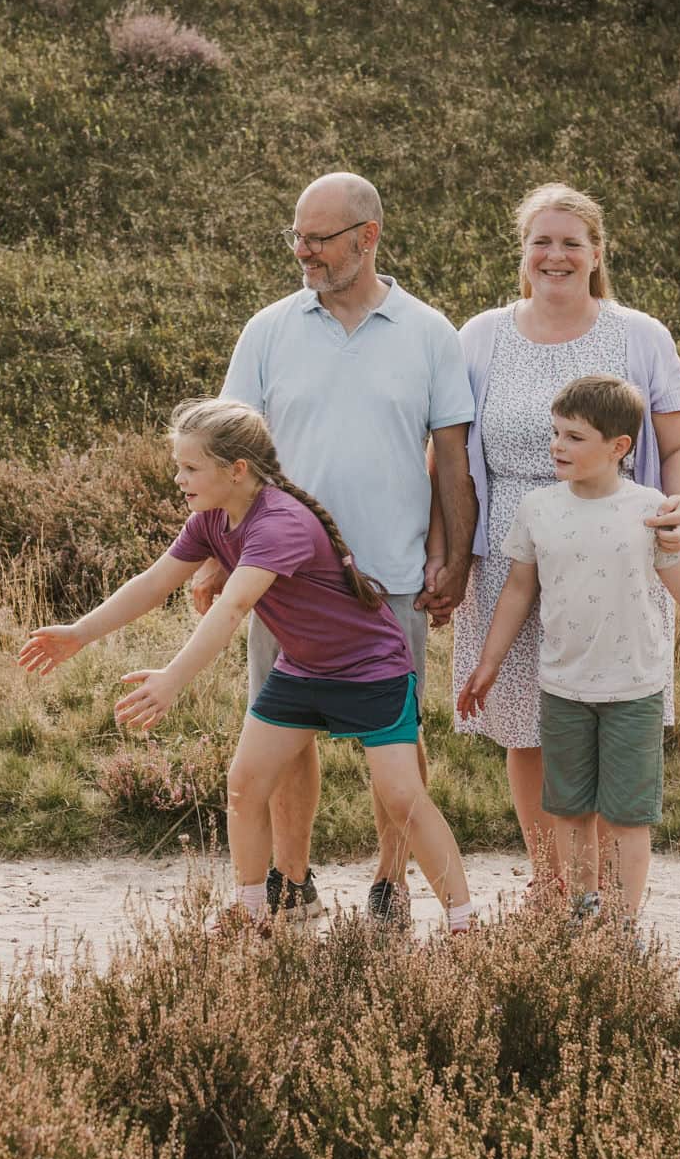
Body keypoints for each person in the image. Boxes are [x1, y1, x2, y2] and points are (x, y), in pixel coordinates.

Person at [21, 399, 476, 934]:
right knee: (244, 783)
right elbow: (153, 582)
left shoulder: (279, 522)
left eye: (190, 468)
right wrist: (80, 633)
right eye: (178, 465)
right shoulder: (211, 519)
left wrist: (172, 680)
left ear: (236, 470)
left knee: (402, 797)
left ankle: (465, 924)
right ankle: (252, 911)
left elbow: (234, 607)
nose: (177, 478)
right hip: (303, 669)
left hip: (369, 669)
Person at [203, 172, 476, 926]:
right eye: (296, 235)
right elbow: (229, 454)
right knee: (285, 736)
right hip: (281, 579)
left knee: (398, 741)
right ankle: (292, 880)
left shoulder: (429, 333)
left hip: (392, 575)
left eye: (319, 238)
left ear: (368, 236)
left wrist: (457, 556)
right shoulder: (268, 329)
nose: (304, 251)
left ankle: (392, 882)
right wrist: (214, 556)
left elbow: (451, 456)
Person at [457, 376, 680, 924]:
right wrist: (489, 662)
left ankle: (621, 926)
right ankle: (580, 910)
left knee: (626, 818)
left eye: (574, 437)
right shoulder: (538, 508)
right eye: (555, 433)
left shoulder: (652, 510)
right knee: (568, 812)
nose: (557, 446)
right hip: (562, 690)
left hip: (634, 692)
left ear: (619, 448)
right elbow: (519, 590)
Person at [451, 183, 680, 896]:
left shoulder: (640, 336)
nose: (555, 254)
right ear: (522, 251)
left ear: (596, 252)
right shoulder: (479, 336)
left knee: (601, 715)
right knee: (530, 727)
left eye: (571, 241)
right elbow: (446, 457)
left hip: (617, 557)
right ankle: (551, 883)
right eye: (541, 240)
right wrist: (446, 555)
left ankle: (600, 892)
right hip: (512, 555)